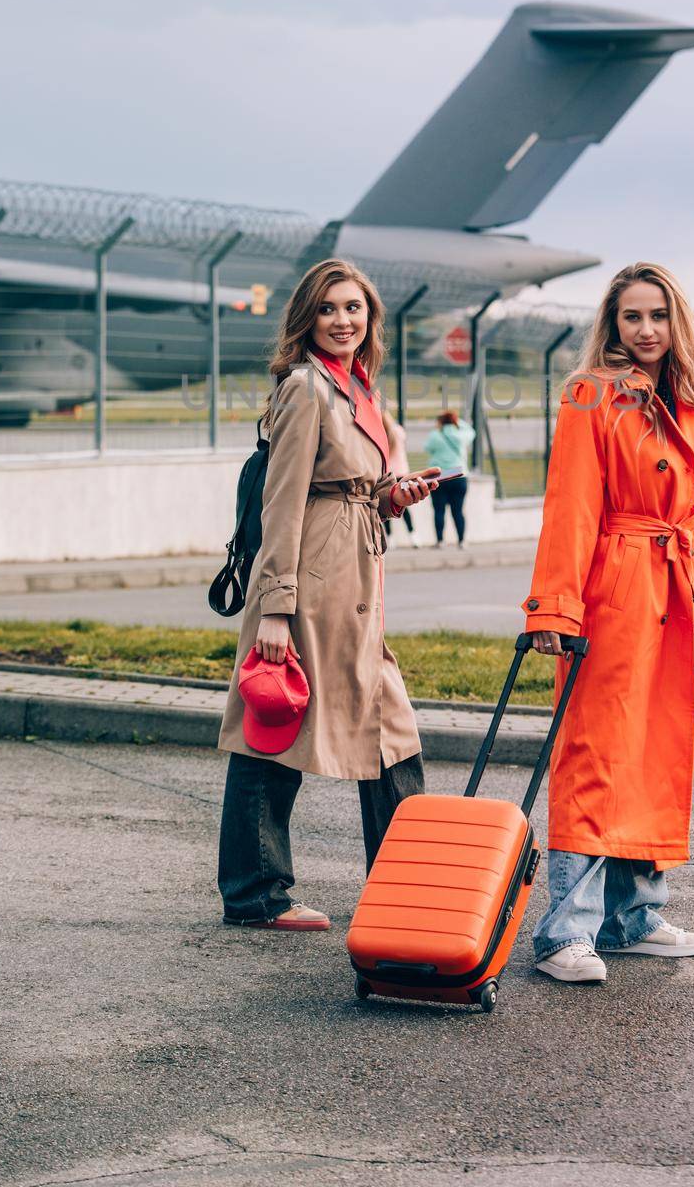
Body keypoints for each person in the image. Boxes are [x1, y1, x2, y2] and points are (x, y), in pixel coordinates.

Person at [217, 259, 440, 931]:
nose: (344, 321)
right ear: (307, 319)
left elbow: (355, 484)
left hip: (357, 573)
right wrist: (277, 608)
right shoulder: (305, 388)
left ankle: (403, 886)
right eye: (329, 309)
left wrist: (394, 495)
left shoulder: (359, 387)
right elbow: (282, 499)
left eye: (355, 309)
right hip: (310, 581)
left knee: (392, 727)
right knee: (276, 721)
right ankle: (255, 892)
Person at [521, 261, 694, 985]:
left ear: (678, 324)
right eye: (632, 317)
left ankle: (632, 917)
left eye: (658, 316)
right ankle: (564, 932)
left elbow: (691, 522)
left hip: (671, 594)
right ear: (612, 324)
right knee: (596, 755)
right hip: (614, 592)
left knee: (651, 755)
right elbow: (571, 504)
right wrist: (555, 606)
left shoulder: (685, 402)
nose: (645, 330)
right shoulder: (592, 395)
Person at [423, 409, 475, 547]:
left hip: (440, 476)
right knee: (458, 510)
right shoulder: (461, 435)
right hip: (459, 475)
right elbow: (472, 431)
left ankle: (440, 541)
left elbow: (427, 448)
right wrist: (457, 421)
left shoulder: (435, 435)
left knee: (439, 510)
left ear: (440, 422)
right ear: (454, 421)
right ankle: (462, 540)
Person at [380, 407, 419, 546]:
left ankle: (390, 538)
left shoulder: (380, 432)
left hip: (387, 475)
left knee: (386, 505)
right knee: (405, 506)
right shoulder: (399, 431)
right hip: (402, 473)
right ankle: (413, 535)